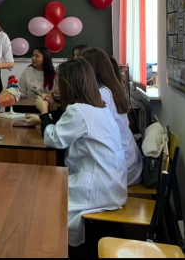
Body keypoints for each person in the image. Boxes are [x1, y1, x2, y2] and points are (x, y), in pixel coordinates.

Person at [26, 58, 127, 247]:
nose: (57, 88)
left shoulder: (78, 110)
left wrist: (44, 112)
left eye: (59, 83)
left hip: (98, 188)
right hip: (113, 184)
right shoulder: (99, 106)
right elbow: (70, 129)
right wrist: (48, 116)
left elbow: (54, 139)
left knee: (44, 197)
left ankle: (49, 247)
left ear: (69, 84)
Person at [82, 48, 143, 186]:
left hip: (120, 170)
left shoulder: (102, 95)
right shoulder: (112, 89)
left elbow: (85, 127)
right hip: (128, 161)